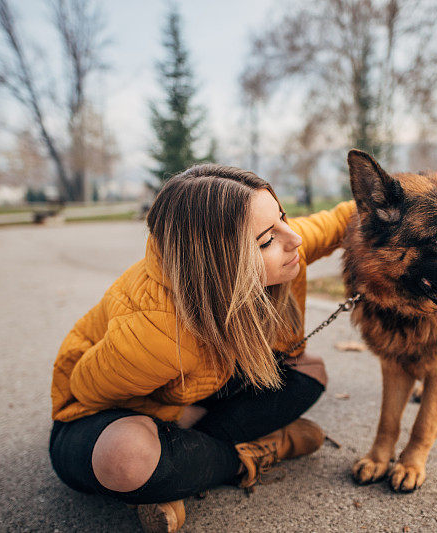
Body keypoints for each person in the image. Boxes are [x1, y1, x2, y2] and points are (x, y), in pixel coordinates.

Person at [48, 164, 356, 532]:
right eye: (266, 241)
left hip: (198, 381)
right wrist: (178, 415)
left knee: (310, 371)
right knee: (125, 458)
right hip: (99, 413)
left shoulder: (282, 244)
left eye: (283, 216)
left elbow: (346, 218)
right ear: (217, 264)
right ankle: (250, 454)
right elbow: (85, 391)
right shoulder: (157, 333)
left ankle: (180, 471)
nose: (294, 239)